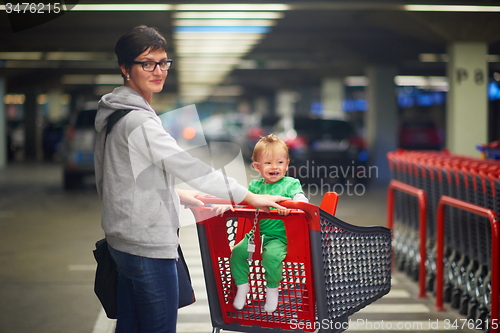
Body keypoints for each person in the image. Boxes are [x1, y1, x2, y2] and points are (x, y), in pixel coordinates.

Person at [93, 25, 288, 333]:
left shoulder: (115, 115)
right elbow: (188, 166)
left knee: (131, 326)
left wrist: (177, 195)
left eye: (163, 62)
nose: (158, 71)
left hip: (123, 240)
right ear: (124, 68)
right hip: (146, 245)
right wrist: (248, 196)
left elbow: (121, 175)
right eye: (147, 63)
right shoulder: (138, 121)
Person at [215, 134, 308, 313]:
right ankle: (243, 287)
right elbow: (243, 200)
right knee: (237, 253)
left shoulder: (291, 183)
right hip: (255, 235)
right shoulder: (255, 187)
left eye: (280, 163)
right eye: (268, 163)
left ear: (287, 164)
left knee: (271, 258)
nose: (275, 167)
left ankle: (272, 290)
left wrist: (293, 206)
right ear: (257, 166)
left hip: (279, 237)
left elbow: (301, 199)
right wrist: (227, 205)